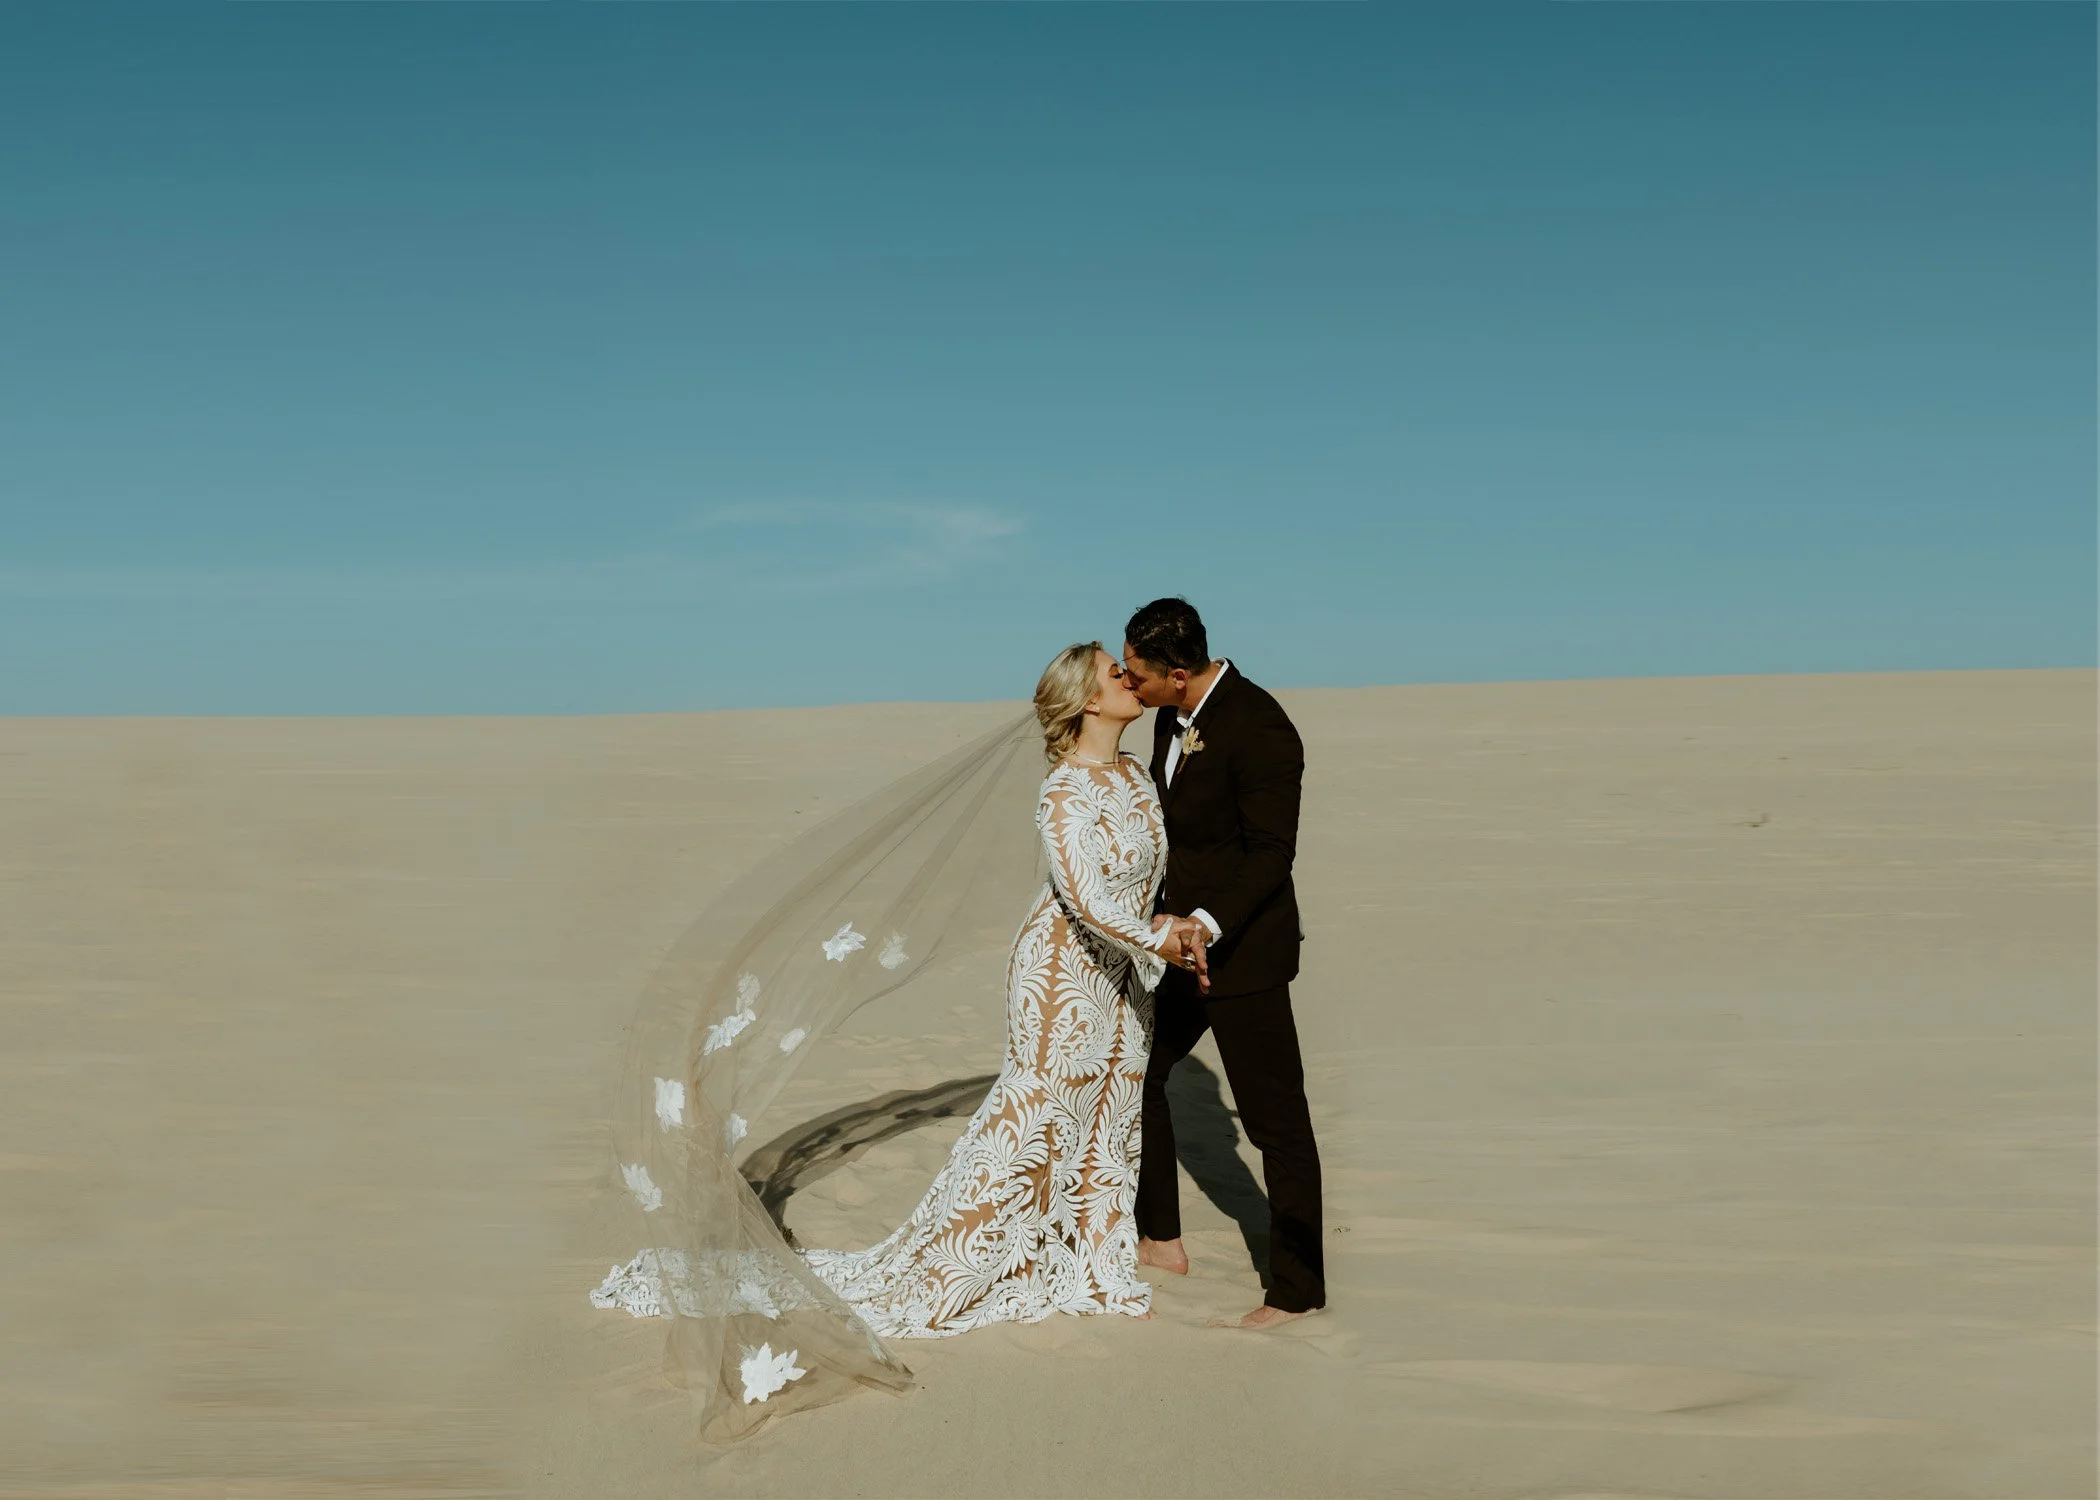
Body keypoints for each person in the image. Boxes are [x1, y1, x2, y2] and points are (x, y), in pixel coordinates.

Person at [801, 641, 1209, 1335]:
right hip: (1061, 971)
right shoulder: (1062, 790)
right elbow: (1083, 897)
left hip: (1126, 975)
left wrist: (1168, 927)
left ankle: (1084, 1253)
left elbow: (1149, 880)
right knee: (1040, 1111)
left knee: (1110, 1112)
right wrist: (1158, 941)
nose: (1132, 679)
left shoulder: (1138, 776)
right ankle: (960, 1262)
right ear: (1087, 700)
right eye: (1118, 674)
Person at [1121, 597, 1327, 1329]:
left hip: (1245, 956)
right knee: (1139, 1071)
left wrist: (1206, 924)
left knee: (1276, 1123)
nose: (1127, 682)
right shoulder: (1167, 718)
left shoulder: (1262, 726)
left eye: (1137, 674)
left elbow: (1272, 852)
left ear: (1178, 674)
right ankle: (1162, 1237)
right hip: (1181, 952)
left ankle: (1298, 1290)